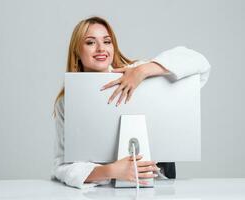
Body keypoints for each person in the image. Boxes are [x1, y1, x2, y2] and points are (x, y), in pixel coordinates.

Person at [52, 16, 211, 189]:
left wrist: (143, 71)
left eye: (107, 41)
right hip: (101, 192)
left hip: (156, 185)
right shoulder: (67, 101)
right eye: (90, 43)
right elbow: (63, 166)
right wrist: (111, 170)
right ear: (77, 51)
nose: (101, 48)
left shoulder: (138, 74)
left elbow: (200, 63)